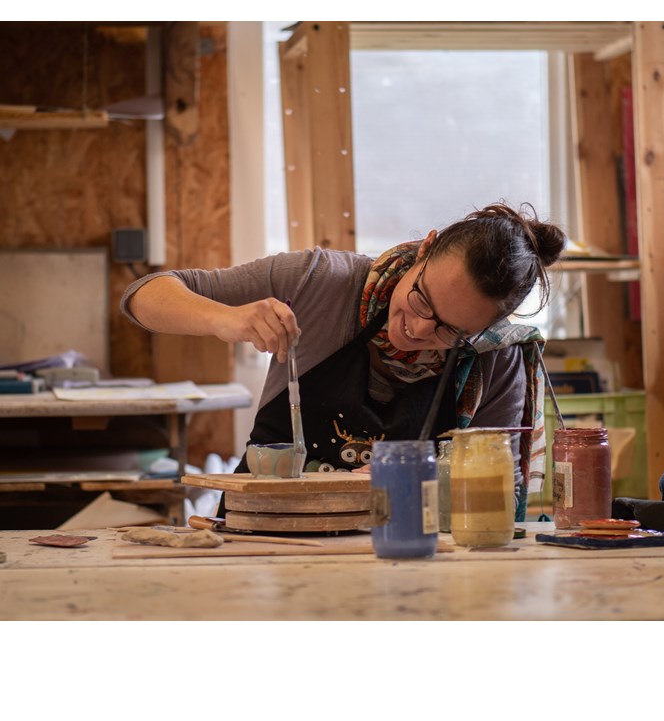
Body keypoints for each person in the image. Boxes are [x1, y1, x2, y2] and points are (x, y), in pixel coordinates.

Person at [120, 202, 566, 520]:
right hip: (260, 541)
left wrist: (418, 478)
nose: (420, 329)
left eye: (451, 330)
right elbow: (143, 296)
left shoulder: (495, 356)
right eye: (421, 299)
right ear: (426, 248)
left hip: (402, 553)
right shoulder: (318, 281)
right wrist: (226, 318)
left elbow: (491, 500)